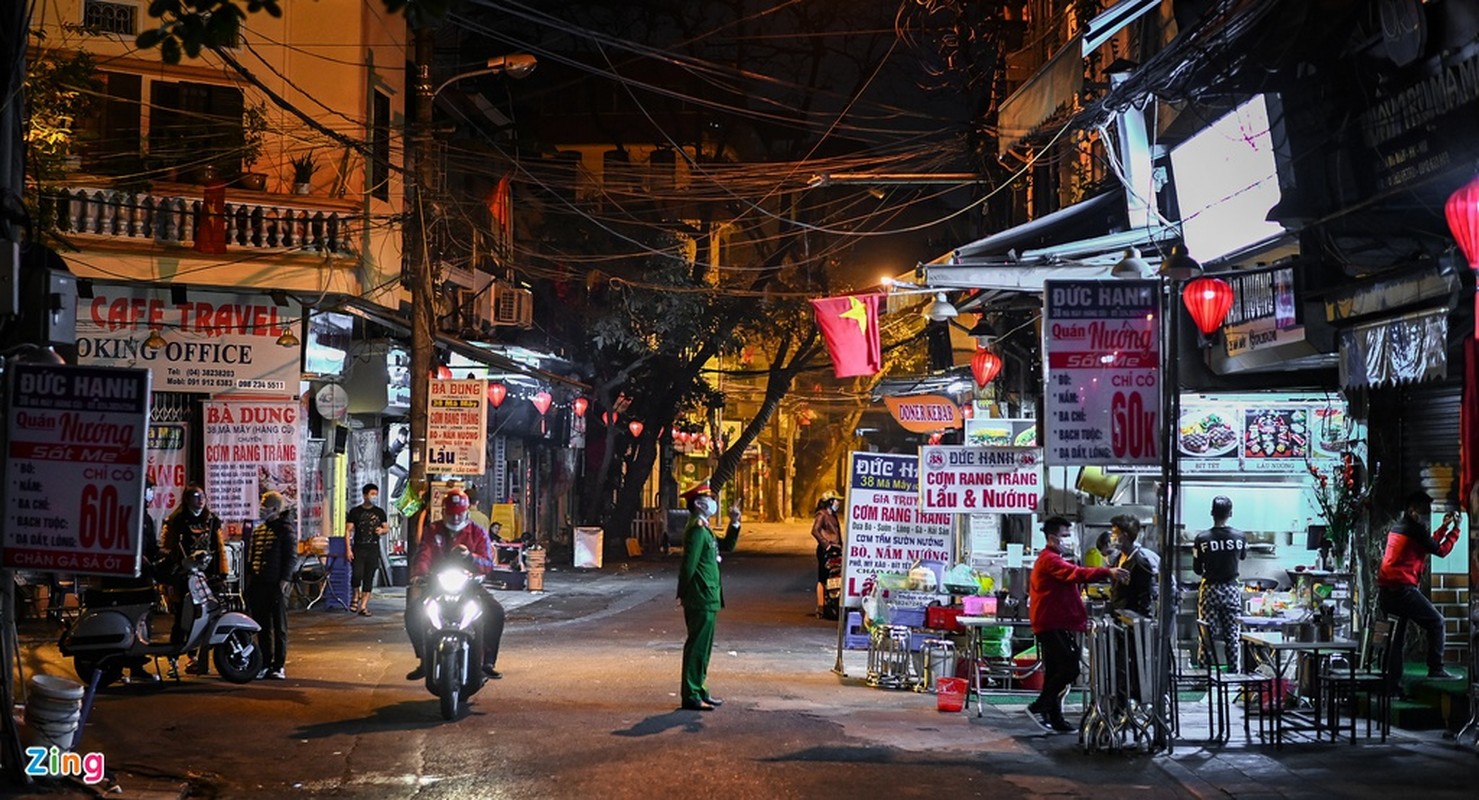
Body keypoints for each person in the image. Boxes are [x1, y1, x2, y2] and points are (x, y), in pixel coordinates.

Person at [1026, 516, 1126, 733]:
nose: (1068, 540)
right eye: (1065, 536)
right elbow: (1076, 574)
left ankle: (1055, 718)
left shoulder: (1056, 558)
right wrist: (1107, 571)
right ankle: (1039, 706)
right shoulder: (1050, 560)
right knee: (1069, 668)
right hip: (1051, 623)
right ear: (1052, 538)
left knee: (1054, 671)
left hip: (1055, 622)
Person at [404, 490, 507, 681]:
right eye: (451, 513)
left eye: (459, 513)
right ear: (443, 512)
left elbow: (487, 563)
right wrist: (419, 574)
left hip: (470, 586)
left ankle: (488, 661)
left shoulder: (477, 532)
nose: (456, 517)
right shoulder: (433, 530)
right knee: (413, 613)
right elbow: (424, 554)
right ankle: (423, 658)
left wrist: (470, 557)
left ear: (467, 512)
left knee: (495, 612)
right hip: (437, 583)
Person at [1378, 491, 1461, 685]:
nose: (1425, 515)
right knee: (1437, 622)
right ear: (1411, 510)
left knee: (1395, 640)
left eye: (1427, 511)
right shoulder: (1414, 529)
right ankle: (1436, 668)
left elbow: (1426, 543)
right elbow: (1439, 550)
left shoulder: (1400, 527)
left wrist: (1443, 527)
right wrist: (1456, 530)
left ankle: (1392, 683)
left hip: (1387, 592)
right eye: (1423, 511)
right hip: (1403, 591)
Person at [159, 483, 227, 675]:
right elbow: (166, 548)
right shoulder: (176, 521)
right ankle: (173, 661)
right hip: (183, 577)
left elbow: (220, 548)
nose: (201, 499)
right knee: (182, 618)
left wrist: (222, 573)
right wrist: (169, 580)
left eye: (203, 496)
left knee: (205, 618)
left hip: (206, 577)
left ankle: (195, 658)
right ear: (187, 499)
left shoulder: (211, 520)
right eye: (196, 496)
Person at [100, 477, 162, 682]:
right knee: (119, 621)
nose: (151, 493)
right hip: (121, 579)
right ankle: (115, 668)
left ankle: (137, 667)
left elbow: (152, 547)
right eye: (149, 489)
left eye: (152, 489)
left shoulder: (146, 517)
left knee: (142, 621)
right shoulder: (122, 512)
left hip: (141, 579)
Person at [677, 481, 724, 711]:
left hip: (709, 595)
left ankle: (700, 688)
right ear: (698, 503)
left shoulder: (704, 527)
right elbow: (689, 565)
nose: (713, 502)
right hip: (700, 596)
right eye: (709, 498)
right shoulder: (696, 529)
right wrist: (684, 592)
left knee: (704, 648)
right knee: (697, 646)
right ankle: (691, 693)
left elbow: (726, 546)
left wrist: (735, 524)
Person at [1192, 496, 1247, 672]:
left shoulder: (1201, 538)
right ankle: (1233, 673)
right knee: (1232, 634)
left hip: (1209, 589)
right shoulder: (1240, 537)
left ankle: (1204, 673)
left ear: (1211, 513)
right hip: (1231, 588)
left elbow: (1197, 569)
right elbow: (1242, 557)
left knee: (1206, 634)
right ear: (1230, 513)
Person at [245, 491, 296, 680]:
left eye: (264, 507)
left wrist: (284, 581)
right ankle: (265, 663)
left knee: (279, 626)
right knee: (262, 626)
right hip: (259, 584)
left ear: (274, 509)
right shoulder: (259, 531)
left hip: (276, 584)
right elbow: (252, 557)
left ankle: (279, 665)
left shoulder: (286, 530)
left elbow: (291, 558)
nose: (261, 510)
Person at [345, 483, 389, 616]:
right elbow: (347, 531)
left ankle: (363, 606)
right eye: (372, 494)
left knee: (369, 577)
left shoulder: (380, 512)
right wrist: (348, 549)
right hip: (359, 547)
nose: (374, 496)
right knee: (357, 575)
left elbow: (387, 528)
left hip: (373, 548)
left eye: (376, 494)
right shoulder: (355, 512)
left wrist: (382, 530)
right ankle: (355, 596)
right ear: (365, 495)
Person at [1109, 515, 1158, 617]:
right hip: (1118, 615)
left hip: (1130, 619)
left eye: (1115, 534)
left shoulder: (1140, 562)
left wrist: (1139, 623)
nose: (1112, 537)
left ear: (1125, 535)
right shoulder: (1117, 558)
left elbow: (1144, 598)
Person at [810, 490, 843, 617]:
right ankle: (820, 607)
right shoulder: (822, 515)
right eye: (836, 500)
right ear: (830, 501)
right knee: (823, 579)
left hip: (837, 550)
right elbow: (815, 531)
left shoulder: (833, 515)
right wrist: (826, 545)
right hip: (825, 551)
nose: (838, 503)